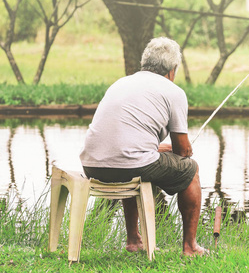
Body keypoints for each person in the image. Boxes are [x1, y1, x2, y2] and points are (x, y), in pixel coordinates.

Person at [80, 37, 206, 256]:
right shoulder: (174, 92)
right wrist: (184, 151)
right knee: (191, 169)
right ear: (172, 70)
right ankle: (190, 246)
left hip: (91, 165)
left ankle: (134, 240)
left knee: (139, 164)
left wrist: (158, 149)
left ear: (145, 63)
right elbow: (182, 151)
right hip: (131, 165)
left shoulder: (121, 82)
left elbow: (127, 141)